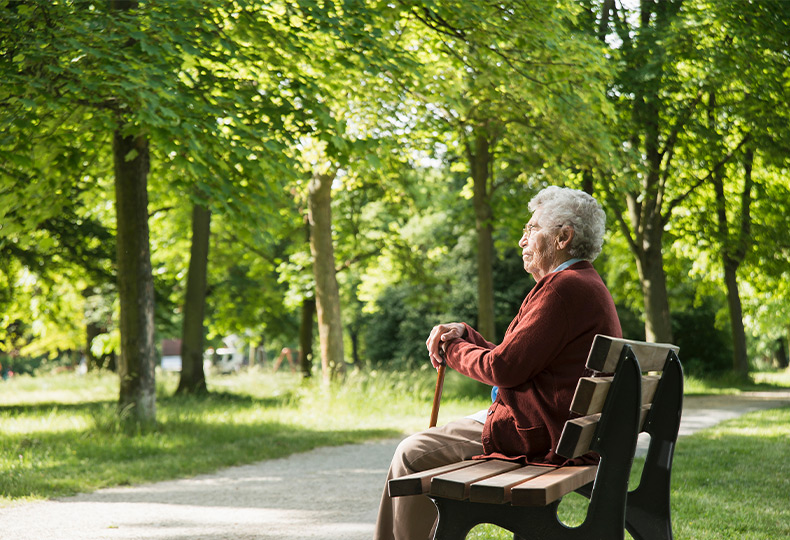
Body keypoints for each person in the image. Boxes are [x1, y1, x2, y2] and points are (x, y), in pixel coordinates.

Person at [374, 186, 623, 540]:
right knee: (420, 450)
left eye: (532, 229)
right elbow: (519, 358)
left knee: (412, 453)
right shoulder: (582, 283)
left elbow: (503, 369)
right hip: (560, 430)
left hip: (542, 437)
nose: (522, 240)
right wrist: (464, 335)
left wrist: (452, 349)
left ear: (563, 237)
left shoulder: (561, 289)